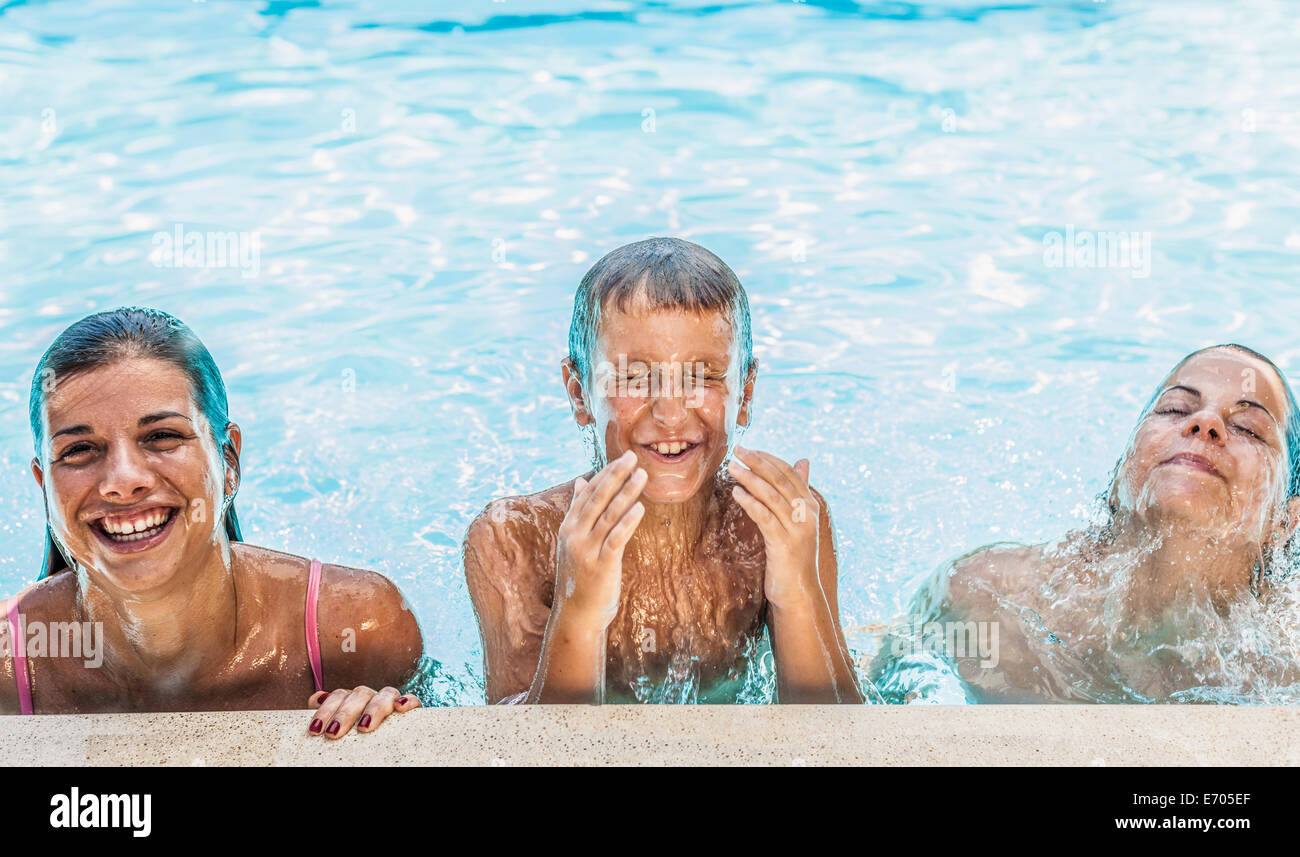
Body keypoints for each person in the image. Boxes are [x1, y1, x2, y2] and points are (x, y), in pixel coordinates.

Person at [464, 237, 863, 704]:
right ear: (578, 394)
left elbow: (838, 735)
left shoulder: (774, 528)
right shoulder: (516, 541)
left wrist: (798, 595)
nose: (671, 412)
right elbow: (513, 750)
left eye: (703, 375)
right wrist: (579, 610)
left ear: (746, 394)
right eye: (634, 376)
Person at [2, 307, 423, 737]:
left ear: (229, 460)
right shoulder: (8, 665)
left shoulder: (356, 627)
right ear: (44, 485)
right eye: (79, 450)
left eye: (162, 436)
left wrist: (386, 718)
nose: (123, 481)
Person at [884, 344, 1300, 703]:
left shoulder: (1290, 658)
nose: (1205, 423)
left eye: (1248, 428)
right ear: (1123, 470)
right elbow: (863, 714)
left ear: (1286, 520)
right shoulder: (986, 595)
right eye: (1175, 408)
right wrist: (814, 591)